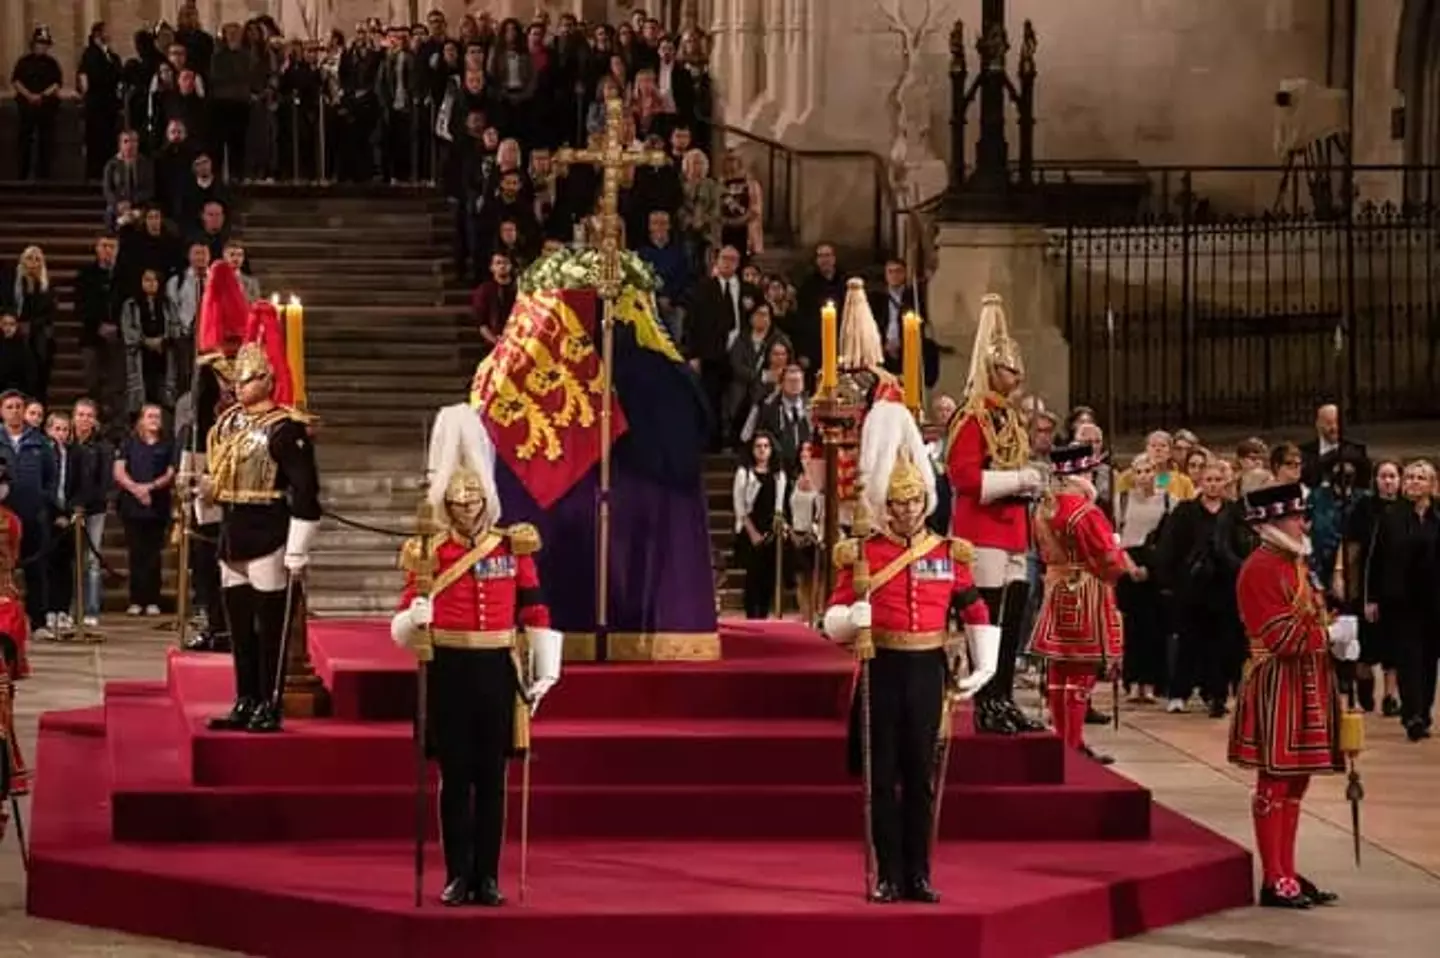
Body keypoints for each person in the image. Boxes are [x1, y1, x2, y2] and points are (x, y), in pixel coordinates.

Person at [822, 398, 1000, 904]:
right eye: (897, 504)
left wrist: (985, 662)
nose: (905, 511)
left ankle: (919, 874)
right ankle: (887, 874)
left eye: (913, 502)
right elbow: (831, 615)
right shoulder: (862, 553)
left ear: (925, 501)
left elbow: (973, 608)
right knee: (882, 779)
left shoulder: (947, 552)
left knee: (921, 777)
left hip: (928, 669)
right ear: (886, 504)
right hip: (881, 667)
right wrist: (848, 621)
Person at [390, 403, 562, 907]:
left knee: (492, 778)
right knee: (454, 777)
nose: (469, 510)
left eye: (476, 502)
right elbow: (402, 619)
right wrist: (413, 618)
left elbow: (534, 609)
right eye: (460, 503)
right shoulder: (428, 552)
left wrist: (544, 670)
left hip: (496, 670)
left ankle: (488, 875)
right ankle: (457, 873)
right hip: (448, 669)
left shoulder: (512, 547)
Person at [1230, 480, 1357, 909]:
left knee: (1297, 781)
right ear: (1271, 522)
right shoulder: (1262, 567)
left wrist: (1335, 632)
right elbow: (1281, 636)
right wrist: (1328, 635)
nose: (1305, 522)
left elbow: (1309, 615)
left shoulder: (1294, 562)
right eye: (1296, 516)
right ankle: (1273, 876)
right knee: (1276, 779)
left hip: (1306, 677)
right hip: (1278, 681)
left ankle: (1286, 868)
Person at [198, 300, 320, 734]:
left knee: (269, 628)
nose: (236, 386)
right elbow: (216, 472)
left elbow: (306, 490)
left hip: (269, 531)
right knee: (239, 627)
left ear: (265, 380)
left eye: (244, 379)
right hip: (233, 531)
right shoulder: (228, 423)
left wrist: (298, 547)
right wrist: (205, 498)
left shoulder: (285, 428)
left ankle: (270, 701)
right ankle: (245, 697)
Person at [946, 294, 1045, 735]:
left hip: (1013, 531)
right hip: (982, 530)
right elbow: (964, 477)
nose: (1016, 377)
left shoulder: (1008, 419)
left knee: (1012, 619)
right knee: (985, 621)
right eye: (1008, 369)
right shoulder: (973, 418)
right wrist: (1019, 480)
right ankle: (986, 701)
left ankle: (1004, 697)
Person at [1030, 443, 1138, 765]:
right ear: (1079, 475)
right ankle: (1072, 742)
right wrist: (1120, 563)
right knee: (1080, 671)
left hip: (1056, 588)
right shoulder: (1085, 511)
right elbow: (1108, 559)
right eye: (1089, 470)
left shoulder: (1045, 509)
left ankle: (1063, 740)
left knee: (1058, 670)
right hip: (1085, 590)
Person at [114, 404, 174, 617]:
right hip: (132, 505)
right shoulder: (129, 443)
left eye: (157, 416)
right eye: (150, 416)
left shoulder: (168, 444)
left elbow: (171, 472)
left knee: (154, 554)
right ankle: (136, 599)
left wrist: (150, 487)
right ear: (141, 419)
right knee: (136, 553)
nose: (154, 420)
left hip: (158, 504)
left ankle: (152, 600)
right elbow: (119, 471)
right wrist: (137, 490)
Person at [731, 430, 787, 620]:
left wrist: (776, 528)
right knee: (752, 576)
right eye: (758, 446)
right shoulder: (744, 473)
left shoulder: (779, 475)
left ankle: (763, 614)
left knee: (768, 577)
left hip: (770, 529)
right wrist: (753, 533)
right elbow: (739, 506)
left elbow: (779, 504)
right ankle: (751, 615)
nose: (762, 450)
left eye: (766, 446)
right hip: (750, 528)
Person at [0, 462, 30, 680]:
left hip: (2, 580)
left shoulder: (11, 520)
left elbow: (14, 553)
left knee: (10, 609)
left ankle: (8, 662)